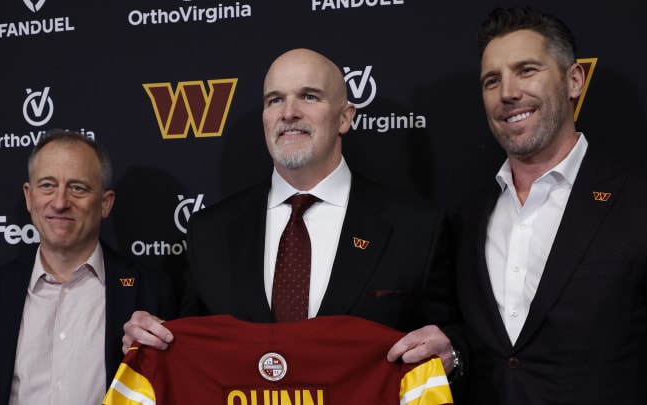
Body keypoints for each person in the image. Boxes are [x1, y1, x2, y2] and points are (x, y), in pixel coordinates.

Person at [122, 48, 466, 386]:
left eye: (309, 97)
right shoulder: (209, 232)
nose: (288, 112)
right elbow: (189, 352)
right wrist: (152, 341)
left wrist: (454, 356)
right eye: (274, 100)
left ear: (345, 117)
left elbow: (453, 338)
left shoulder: (416, 226)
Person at [452, 7, 647, 404]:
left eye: (527, 70)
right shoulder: (465, 221)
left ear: (574, 80)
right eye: (491, 80)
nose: (508, 92)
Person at [0, 129, 178, 405]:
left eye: (77, 188)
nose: (59, 203)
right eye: (47, 185)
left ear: (105, 204)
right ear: (29, 196)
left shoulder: (155, 290)